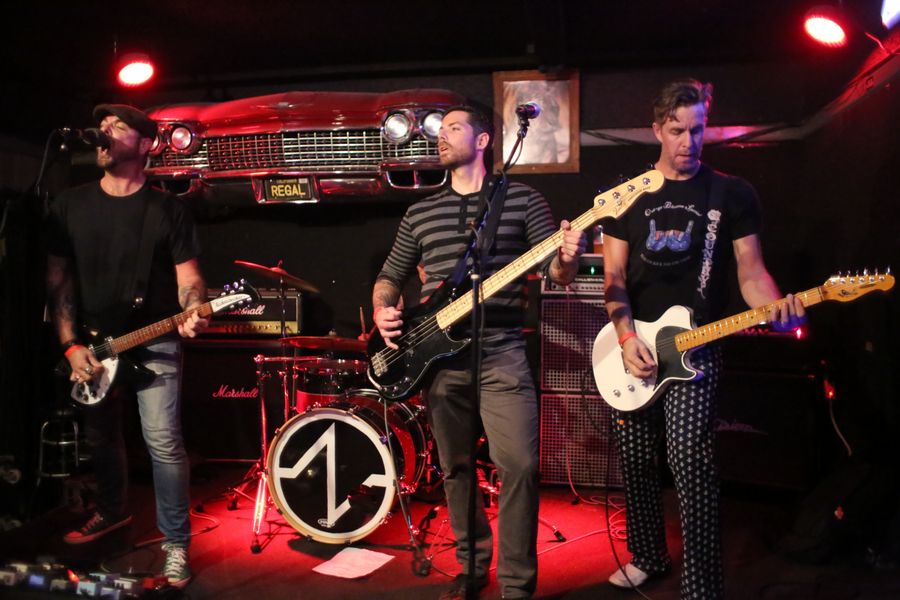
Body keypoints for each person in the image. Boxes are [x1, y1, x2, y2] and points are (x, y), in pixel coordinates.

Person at [599, 79, 806, 599]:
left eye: (697, 130)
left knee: (691, 461)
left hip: (698, 344)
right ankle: (648, 555)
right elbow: (613, 277)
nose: (688, 142)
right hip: (634, 346)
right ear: (656, 130)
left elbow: (751, 270)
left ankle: (701, 587)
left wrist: (773, 309)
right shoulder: (628, 195)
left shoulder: (730, 193)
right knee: (636, 459)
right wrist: (625, 337)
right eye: (676, 131)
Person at [373, 104, 586, 600]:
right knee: (456, 468)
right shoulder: (420, 212)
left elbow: (555, 272)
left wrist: (567, 257)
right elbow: (390, 275)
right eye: (440, 130)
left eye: (453, 128)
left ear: (484, 140)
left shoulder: (524, 200)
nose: (441, 136)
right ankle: (471, 568)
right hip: (438, 355)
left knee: (520, 465)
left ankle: (516, 586)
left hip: (501, 350)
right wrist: (384, 308)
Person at [45, 104, 207, 588]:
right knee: (101, 438)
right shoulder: (69, 205)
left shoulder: (167, 209)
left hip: (154, 341)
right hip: (92, 345)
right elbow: (59, 284)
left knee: (162, 442)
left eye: (117, 128)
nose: (104, 134)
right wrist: (70, 345)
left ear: (145, 144)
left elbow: (190, 281)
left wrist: (194, 309)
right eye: (102, 127)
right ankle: (112, 512)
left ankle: (175, 544)